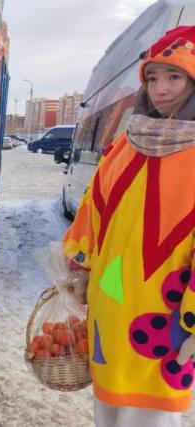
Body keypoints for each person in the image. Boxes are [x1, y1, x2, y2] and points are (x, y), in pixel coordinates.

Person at [62, 26, 195, 427]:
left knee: (151, 417)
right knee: (109, 410)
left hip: (165, 317)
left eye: (174, 76)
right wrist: (80, 266)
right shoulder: (126, 143)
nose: (161, 88)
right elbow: (93, 207)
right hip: (111, 304)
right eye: (152, 77)